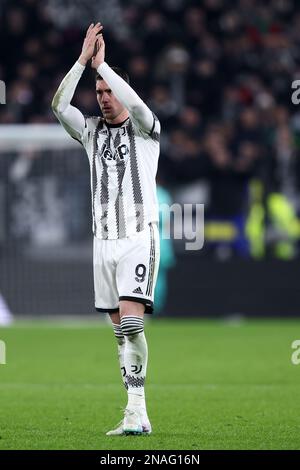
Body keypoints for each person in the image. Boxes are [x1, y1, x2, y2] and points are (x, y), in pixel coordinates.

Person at [52, 23, 160, 435]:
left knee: (132, 325)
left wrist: (105, 66)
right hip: (104, 242)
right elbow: (59, 107)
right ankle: (136, 413)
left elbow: (136, 103)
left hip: (137, 235)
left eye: (109, 91)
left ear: (122, 92)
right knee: (119, 335)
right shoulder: (90, 132)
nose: (104, 98)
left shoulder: (147, 130)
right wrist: (83, 63)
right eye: (99, 93)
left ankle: (137, 411)